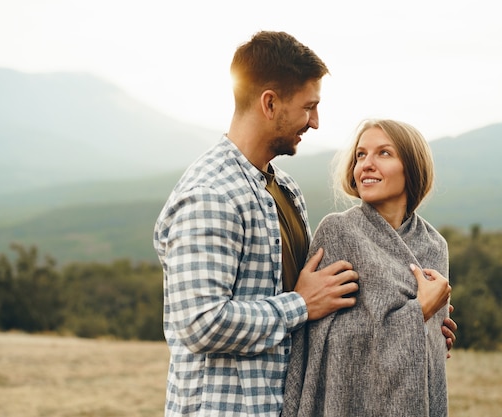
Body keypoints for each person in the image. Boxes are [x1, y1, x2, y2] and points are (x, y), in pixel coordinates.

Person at [154, 31, 456, 416]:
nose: (315, 122)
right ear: (269, 103)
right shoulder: (212, 193)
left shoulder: (285, 191)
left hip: (283, 404)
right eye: (309, 107)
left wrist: (422, 331)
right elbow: (199, 323)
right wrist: (299, 304)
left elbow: (332, 312)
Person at [282, 119, 453, 417]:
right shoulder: (338, 232)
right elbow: (324, 343)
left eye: (384, 153)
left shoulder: (434, 246)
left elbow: (430, 353)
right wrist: (418, 313)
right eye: (361, 155)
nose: (366, 164)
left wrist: (433, 335)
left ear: (411, 167)